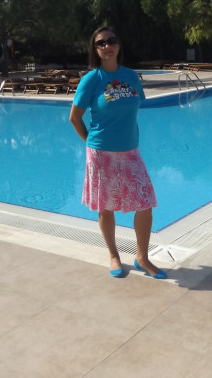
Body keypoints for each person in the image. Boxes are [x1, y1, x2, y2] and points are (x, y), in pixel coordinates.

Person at [69, 26, 167, 279]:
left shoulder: (131, 76)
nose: (107, 46)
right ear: (95, 49)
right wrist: (91, 143)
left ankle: (142, 257)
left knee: (145, 204)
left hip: (130, 151)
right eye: (101, 43)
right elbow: (74, 118)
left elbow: (134, 106)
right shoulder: (91, 80)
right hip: (101, 153)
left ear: (119, 45)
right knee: (105, 207)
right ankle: (114, 255)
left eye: (111, 40)